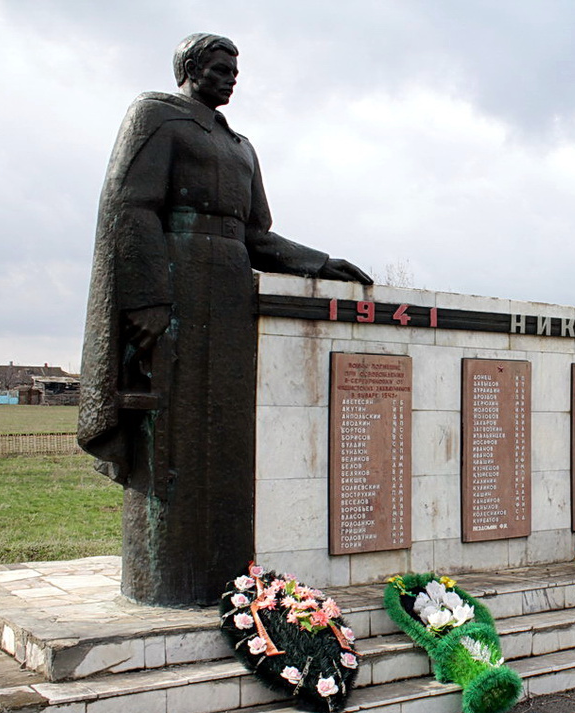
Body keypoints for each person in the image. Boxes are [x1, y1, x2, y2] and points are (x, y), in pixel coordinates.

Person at [78, 34, 372, 606]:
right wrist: (148, 299)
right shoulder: (156, 116)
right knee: (173, 436)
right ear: (189, 69)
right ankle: (168, 579)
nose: (230, 78)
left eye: (235, 70)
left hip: (231, 290)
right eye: (218, 67)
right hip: (178, 286)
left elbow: (257, 233)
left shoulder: (242, 147)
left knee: (227, 432)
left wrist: (319, 261)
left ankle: (228, 575)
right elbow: (130, 207)